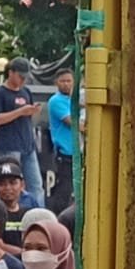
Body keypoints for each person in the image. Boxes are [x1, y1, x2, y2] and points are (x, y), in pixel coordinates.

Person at [0, 56, 45, 197]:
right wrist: (20, 111)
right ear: (11, 73)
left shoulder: (26, 92)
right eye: (20, 76)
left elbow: (29, 117)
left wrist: (33, 111)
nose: (23, 80)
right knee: (10, 184)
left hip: (28, 145)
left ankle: (38, 209)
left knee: (36, 185)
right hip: (9, 145)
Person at [47, 69, 76, 211]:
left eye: (69, 81)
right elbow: (72, 122)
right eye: (62, 81)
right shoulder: (56, 101)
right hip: (65, 153)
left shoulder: (75, 100)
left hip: (78, 152)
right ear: (56, 83)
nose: (66, 84)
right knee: (64, 189)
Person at [0, 159, 33, 254]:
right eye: (1, 184)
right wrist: (24, 253)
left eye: (13, 183)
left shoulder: (29, 214)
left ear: (22, 185)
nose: (7, 188)